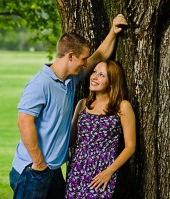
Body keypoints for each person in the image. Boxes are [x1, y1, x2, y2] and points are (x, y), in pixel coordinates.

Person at [9, 15, 128, 199]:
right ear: (70, 56)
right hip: (33, 171)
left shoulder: (70, 81)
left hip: (54, 170)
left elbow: (100, 56)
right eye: (83, 59)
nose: (86, 64)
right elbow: (24, 121)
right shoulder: (40, 84)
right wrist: (39, 163)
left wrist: (113, 31)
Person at [66, 60, 136, 199]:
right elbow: (71, 138)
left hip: (102, 170)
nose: (94, 77)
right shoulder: (83, 104)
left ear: (112, 81)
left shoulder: (122, 106)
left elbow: (130, 147)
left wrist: (109, 171)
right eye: (94, 72)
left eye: (101, 75)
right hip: (77, 167)